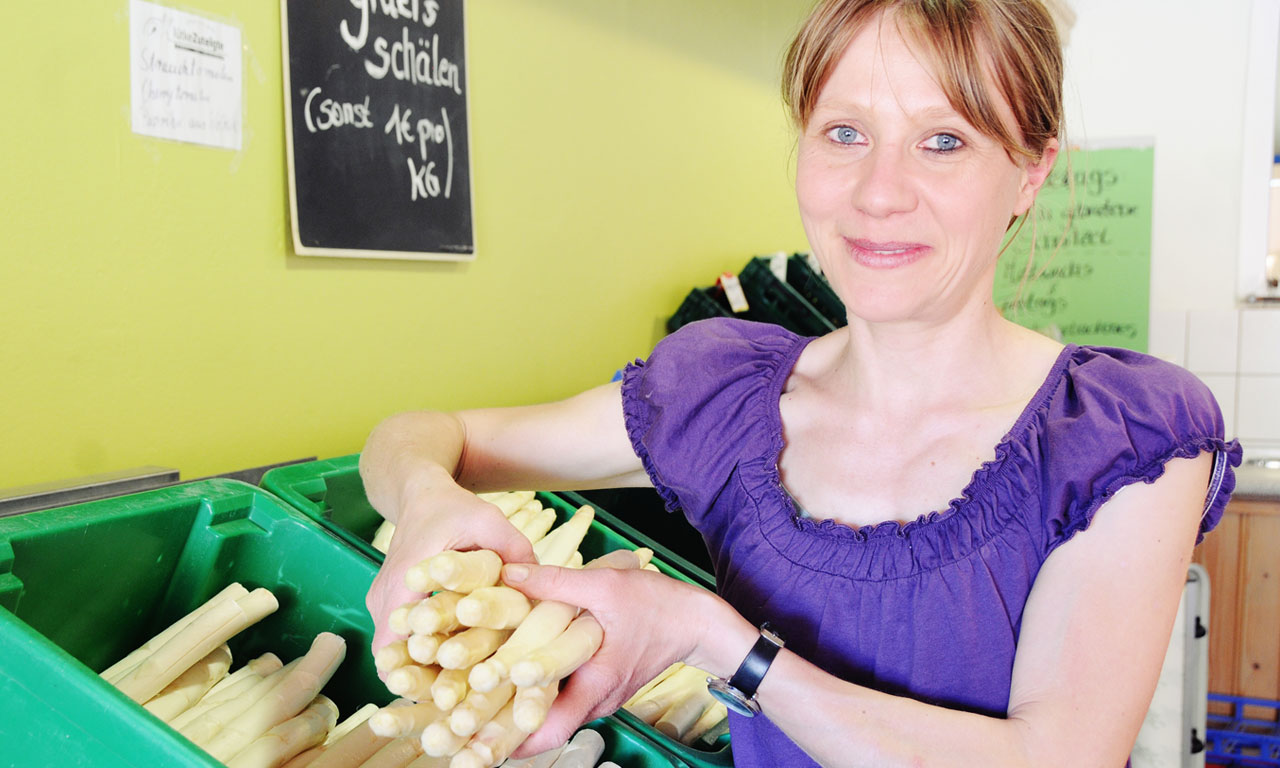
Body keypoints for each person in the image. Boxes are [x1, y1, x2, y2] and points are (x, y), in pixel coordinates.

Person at [360, 1, 1242, 765]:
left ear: (1031, 171)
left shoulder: (1119, 437)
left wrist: (712, 639)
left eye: (943, 141)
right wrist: (424, 501)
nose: (879, 193)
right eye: (844, 133)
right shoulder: (722, 396)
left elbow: (1056, 758)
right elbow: (422, 434)